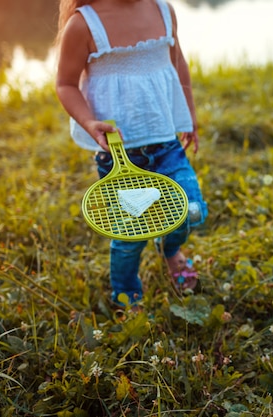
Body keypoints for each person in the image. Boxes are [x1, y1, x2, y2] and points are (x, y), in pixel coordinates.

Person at [55, 0, 208, 306]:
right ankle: (126, 293)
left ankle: (171, 250)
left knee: (191, 211)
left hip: (167, 146)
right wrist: (89, 122)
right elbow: (65, 84)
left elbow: (177, 62)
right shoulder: (84, 24)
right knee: (130, 236)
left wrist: (188, 114)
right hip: (119, 156)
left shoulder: (163, 10)